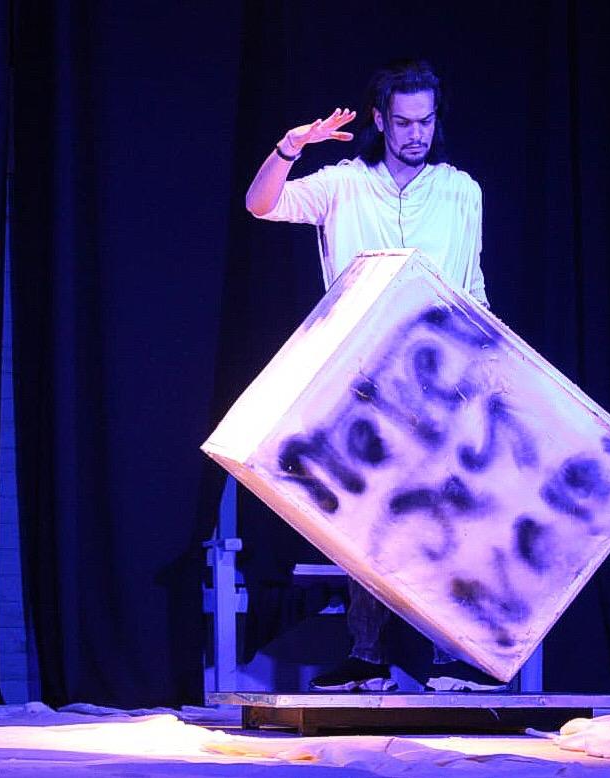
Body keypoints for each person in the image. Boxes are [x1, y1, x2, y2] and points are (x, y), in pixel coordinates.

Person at [245, 59, 505, 693]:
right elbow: (261, 205)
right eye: (405, 122)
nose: (417, 134)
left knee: (447, 517)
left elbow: (471, 284)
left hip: (439, 381)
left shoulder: (460, 190)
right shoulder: (343, 184)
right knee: (367, 521)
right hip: (360, 381)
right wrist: (288, 148)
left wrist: (492, 363)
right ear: (382, 121)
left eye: (426, 121)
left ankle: (453, 658)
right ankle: (367, 655)